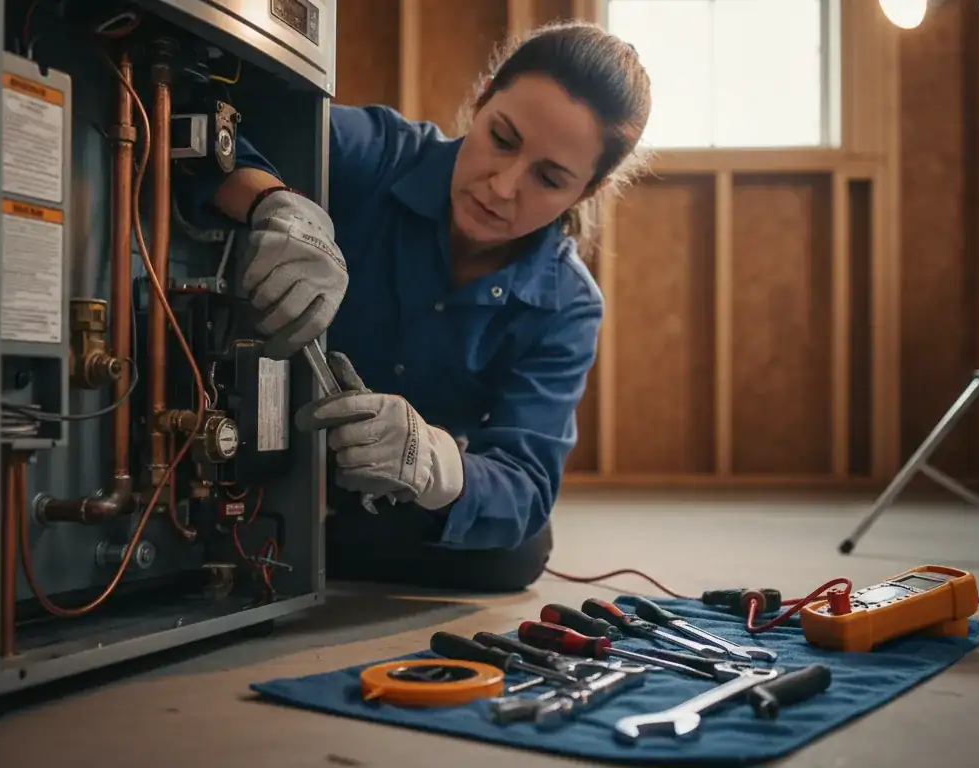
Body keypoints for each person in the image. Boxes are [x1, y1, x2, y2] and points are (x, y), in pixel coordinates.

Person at [187, 21, 652, 592]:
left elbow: (525, 486)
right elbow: (211, 124)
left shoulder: (569, 304)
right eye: (502, 139)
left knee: (517, 552)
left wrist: (433, 463)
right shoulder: (380, 151)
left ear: (585, 192)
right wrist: (271, 203)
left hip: (387, 492)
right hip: (247, 441)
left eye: (549, 178)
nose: (503, 187)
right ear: (480, 100)